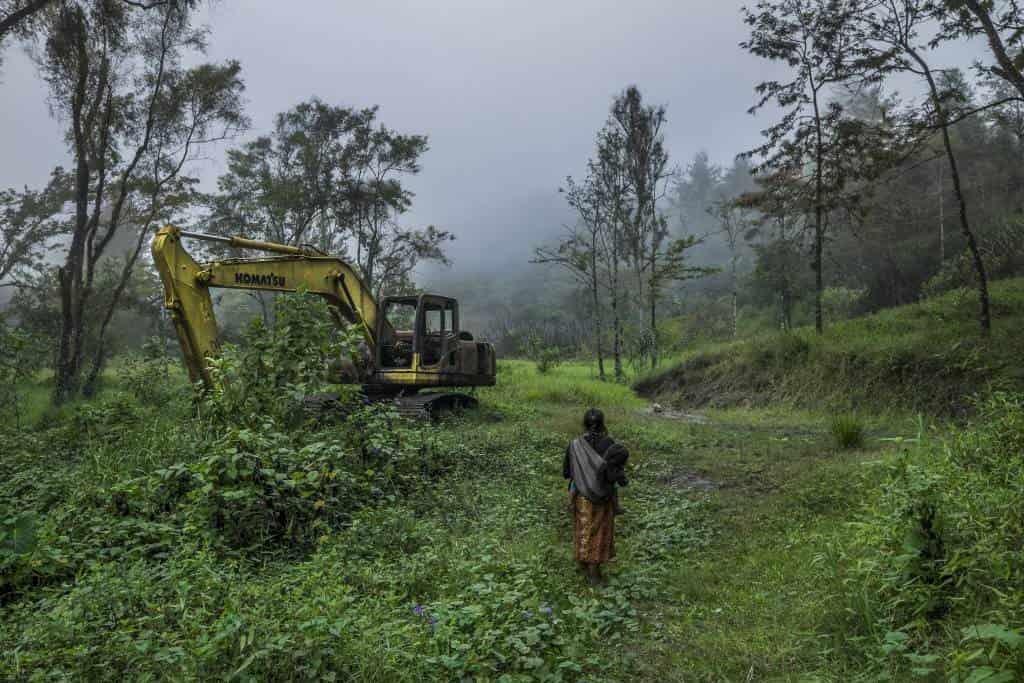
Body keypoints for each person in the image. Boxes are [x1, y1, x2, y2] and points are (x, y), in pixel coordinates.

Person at [562, 408, 629, 586]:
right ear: (603, 424)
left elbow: (567, 472)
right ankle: (594, 572)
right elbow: (614, 472)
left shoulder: (575, 445)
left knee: (583, 530)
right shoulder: (609, 443)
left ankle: (584, 564)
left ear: (584, 423)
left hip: (581, 496)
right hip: (603, 497)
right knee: (599, 533)